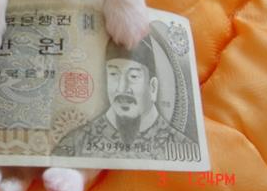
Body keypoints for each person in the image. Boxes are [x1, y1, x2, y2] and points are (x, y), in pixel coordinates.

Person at [53, 36, 194, 159]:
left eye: (133, 76)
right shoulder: (74, 144)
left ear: (152, 87)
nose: (121, 88)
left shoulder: (184, 148)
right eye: (114, 74)